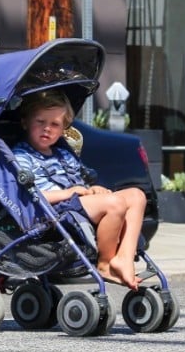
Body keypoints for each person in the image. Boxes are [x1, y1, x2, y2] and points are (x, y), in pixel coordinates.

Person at [13, 91, 145, 290]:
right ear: (25, 122)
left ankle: (124, 257)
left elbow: (79, 184)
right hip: (51, 211)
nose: (47, 129)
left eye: (55, 124)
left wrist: (92, 190)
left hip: (76, 203)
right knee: (115, 204)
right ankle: (105, 263)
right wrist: (69, 193)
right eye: (40, 122)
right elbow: (27, 196)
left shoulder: (63, 154)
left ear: (63, 129)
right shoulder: (21, 156)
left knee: (136, 196)